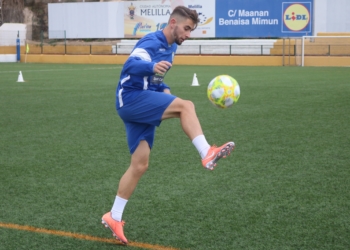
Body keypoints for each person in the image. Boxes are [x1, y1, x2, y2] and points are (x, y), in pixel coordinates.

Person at [101, 6, 235, 245]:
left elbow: (156, 78)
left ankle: (114, 216)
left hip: (140, 101)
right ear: (173, 22)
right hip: (131, 99)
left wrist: (163, 88)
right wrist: (151, 67)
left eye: (191, 30)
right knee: (186, 106)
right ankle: (207, 152)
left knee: (140, 164)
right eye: (186, 28)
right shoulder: (152, 41)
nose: (188, 34)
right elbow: (131, 65)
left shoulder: (172, 47)